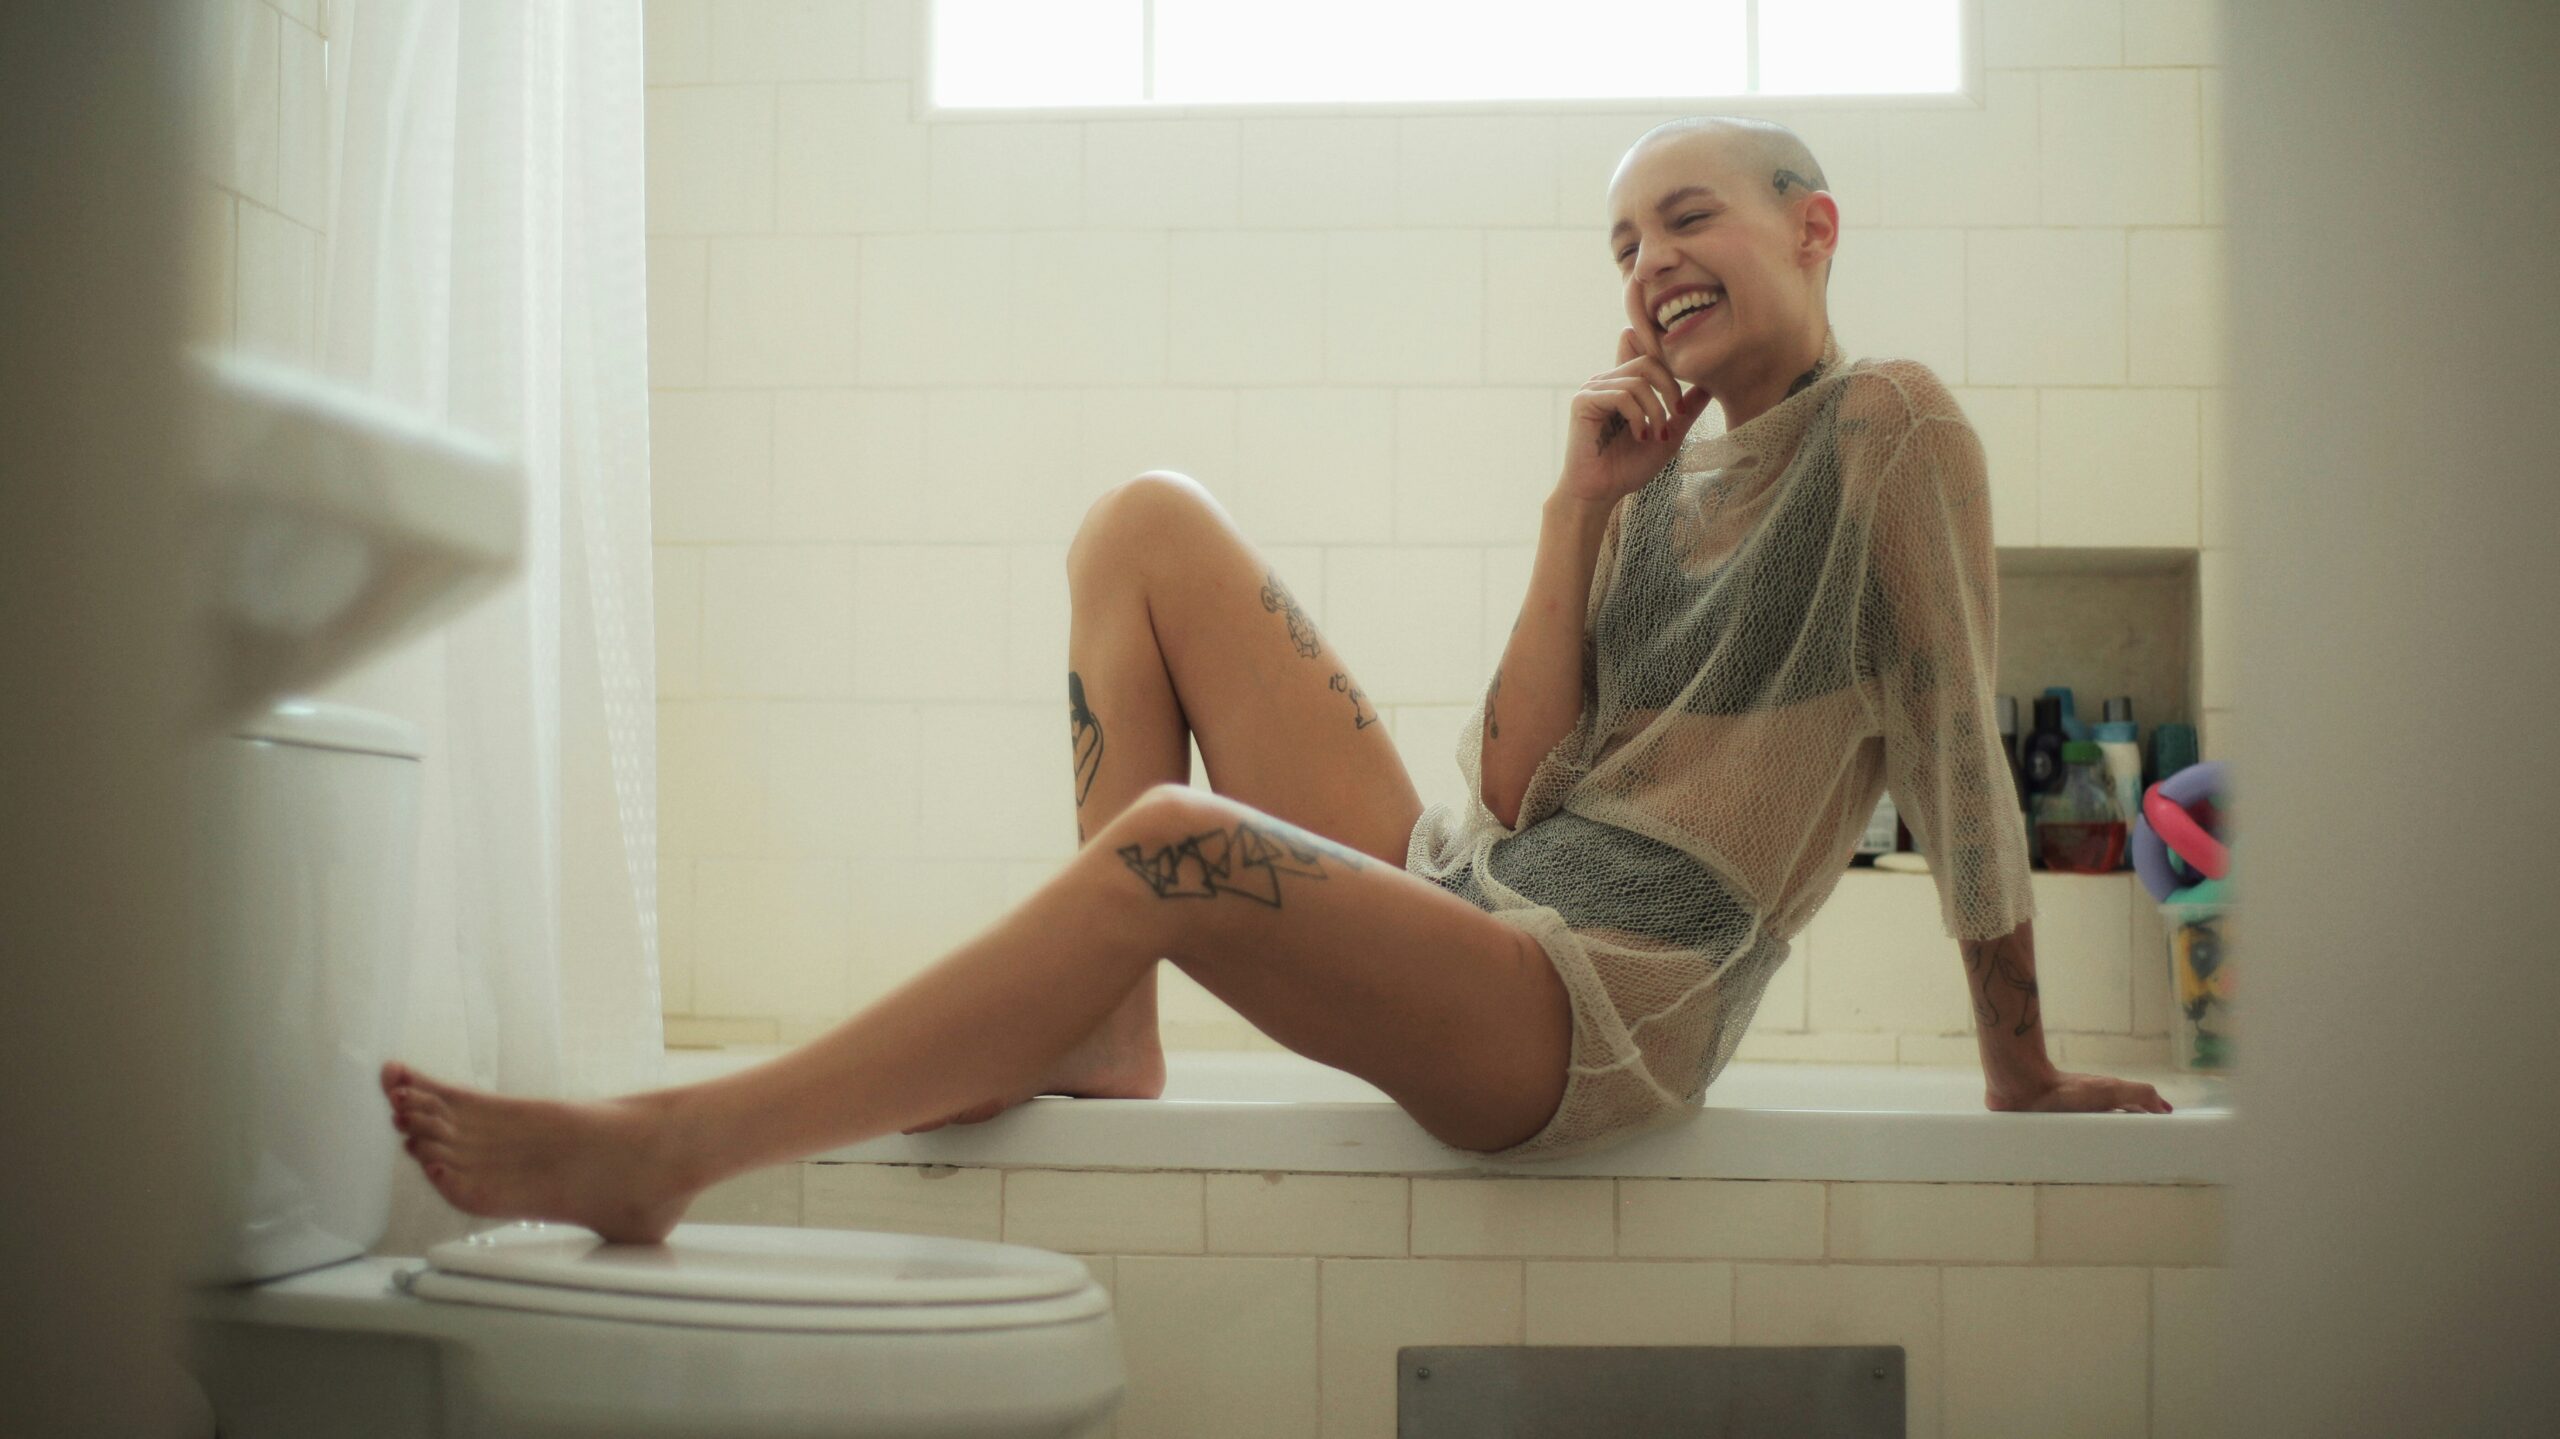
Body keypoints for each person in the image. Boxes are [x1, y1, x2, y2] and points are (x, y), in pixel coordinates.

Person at [382, 114, 2170, 1246]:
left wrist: (2016, 1067)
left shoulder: (1890, 427)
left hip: (1610, 1006)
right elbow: (1522, 775)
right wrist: (1579, 505)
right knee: (1144, 525)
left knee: (1174, 843)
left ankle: (674, 1148)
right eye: (1620, 247)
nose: (1645, 269)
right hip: (1489, 898)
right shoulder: (1649, 470)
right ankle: (1103, 1030)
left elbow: (1948, 744)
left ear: (1813, 225)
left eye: (1681, 219)